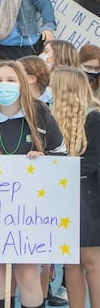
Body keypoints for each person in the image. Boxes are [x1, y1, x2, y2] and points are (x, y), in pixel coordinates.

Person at [0, 60, 66, 308]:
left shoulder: (39, 113)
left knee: (27, 273)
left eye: (10, 80)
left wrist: (45, 160)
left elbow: (61, 154)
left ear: (23, 84)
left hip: (30, 211)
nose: (4, 85)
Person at [50, 68, 100, 308]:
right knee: (69, 263)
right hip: (59, 197)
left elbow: (91, 162)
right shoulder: (49, 119)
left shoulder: (94, 118)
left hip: (86, 197)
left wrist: (57, 171)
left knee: (91, 262)